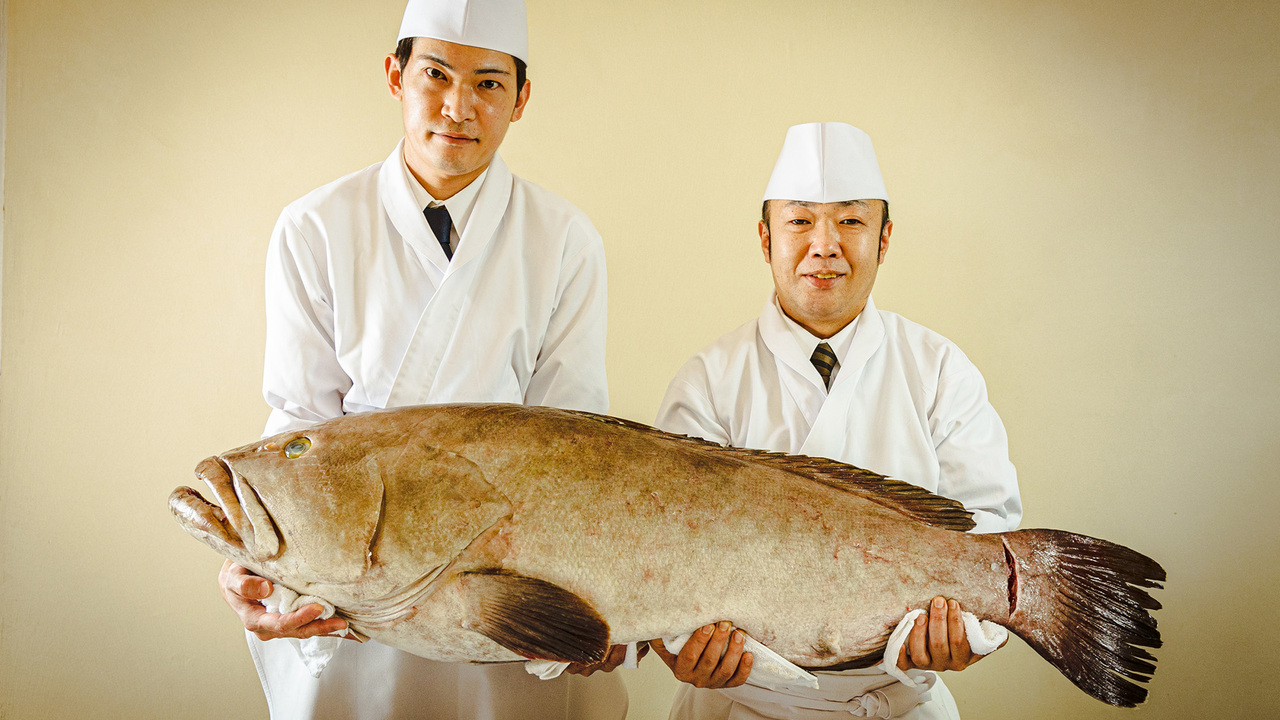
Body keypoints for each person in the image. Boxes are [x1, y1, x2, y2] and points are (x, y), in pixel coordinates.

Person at [215, 0, 627, 717]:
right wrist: (258, 555)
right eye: (434, 74)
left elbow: (574, 448)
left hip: (502, 578)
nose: (458, 107)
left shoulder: (565, 239)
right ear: (395, 76)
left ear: (521, 99)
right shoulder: (314, 226)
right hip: (352, 578)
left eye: (490, 84)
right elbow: (299, 426)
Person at [652, 122, 1023, 719]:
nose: (824, 245)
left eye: (850, 221)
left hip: (901, 704)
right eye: (800, 221)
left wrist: (966, 633)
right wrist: (676, 646)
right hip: (739, 706)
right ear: (765, 238)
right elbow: (663, 555)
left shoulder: (940, 370)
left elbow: (989, 531)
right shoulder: (708, 381)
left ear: (884, 239)